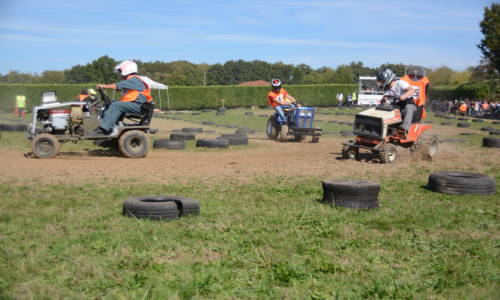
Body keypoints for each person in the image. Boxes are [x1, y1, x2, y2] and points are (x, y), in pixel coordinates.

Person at [89, 60, 153, 136]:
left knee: (117, 105)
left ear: (127, 70)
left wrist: (103, 86)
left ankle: (103, 129)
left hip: (139, 106)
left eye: (120, 71)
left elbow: (117, 86)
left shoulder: (133, 79)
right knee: (113, 103)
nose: (120, 74)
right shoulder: (132, 80)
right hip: (137, 105)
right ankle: (110, 127)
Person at [376, 68, 416, 134]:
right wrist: (383, 100)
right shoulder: (387, 89)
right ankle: (382, 126)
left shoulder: (400, 83)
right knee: (384, 107)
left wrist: (404, 96)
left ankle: (404, 128)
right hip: (398, 107)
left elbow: (412, 90)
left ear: (388, 78)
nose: (381, 82)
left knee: (408, 107)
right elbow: (383, 101)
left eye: (382, 81)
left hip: (409, 104)